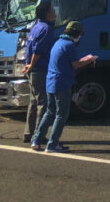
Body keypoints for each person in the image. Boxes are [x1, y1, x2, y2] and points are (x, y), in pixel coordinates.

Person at [31, 21, 97, 153]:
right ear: (77, 34)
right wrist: (90, 59)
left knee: (50, 112)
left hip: (50, 82)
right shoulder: (69, 45)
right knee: (61, 114)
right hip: (62, 83)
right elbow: (76, 64)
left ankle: (36, 141)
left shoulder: (58, 43)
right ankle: (53, 144)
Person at [22, 1, 56, 144]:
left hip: (32, 69)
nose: (55, 11)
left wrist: (28, 65)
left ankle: (28, 133)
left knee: (33, 102)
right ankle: (38, 134)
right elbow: (39, 51)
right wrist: (32, 65)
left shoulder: (36, 27)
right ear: (48, 13)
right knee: (43, 102)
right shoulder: (46, 29)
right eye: (52, 9)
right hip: (40, 68)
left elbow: (30, 48)